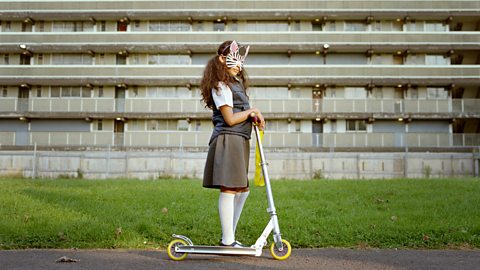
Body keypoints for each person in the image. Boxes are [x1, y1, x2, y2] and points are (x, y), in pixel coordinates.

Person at [200, 40, 265, 247]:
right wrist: (252, 111)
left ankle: (229, 237)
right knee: (230, 188)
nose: (239, 65)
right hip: (228, 139)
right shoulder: (221, 85)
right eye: (235, 60)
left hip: (239, 140)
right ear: (222, 59)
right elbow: (230, 119)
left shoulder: (236, 85)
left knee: (242, 189)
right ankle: (228, 240)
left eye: (241, 62)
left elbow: (240, 114)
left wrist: (252, 117)